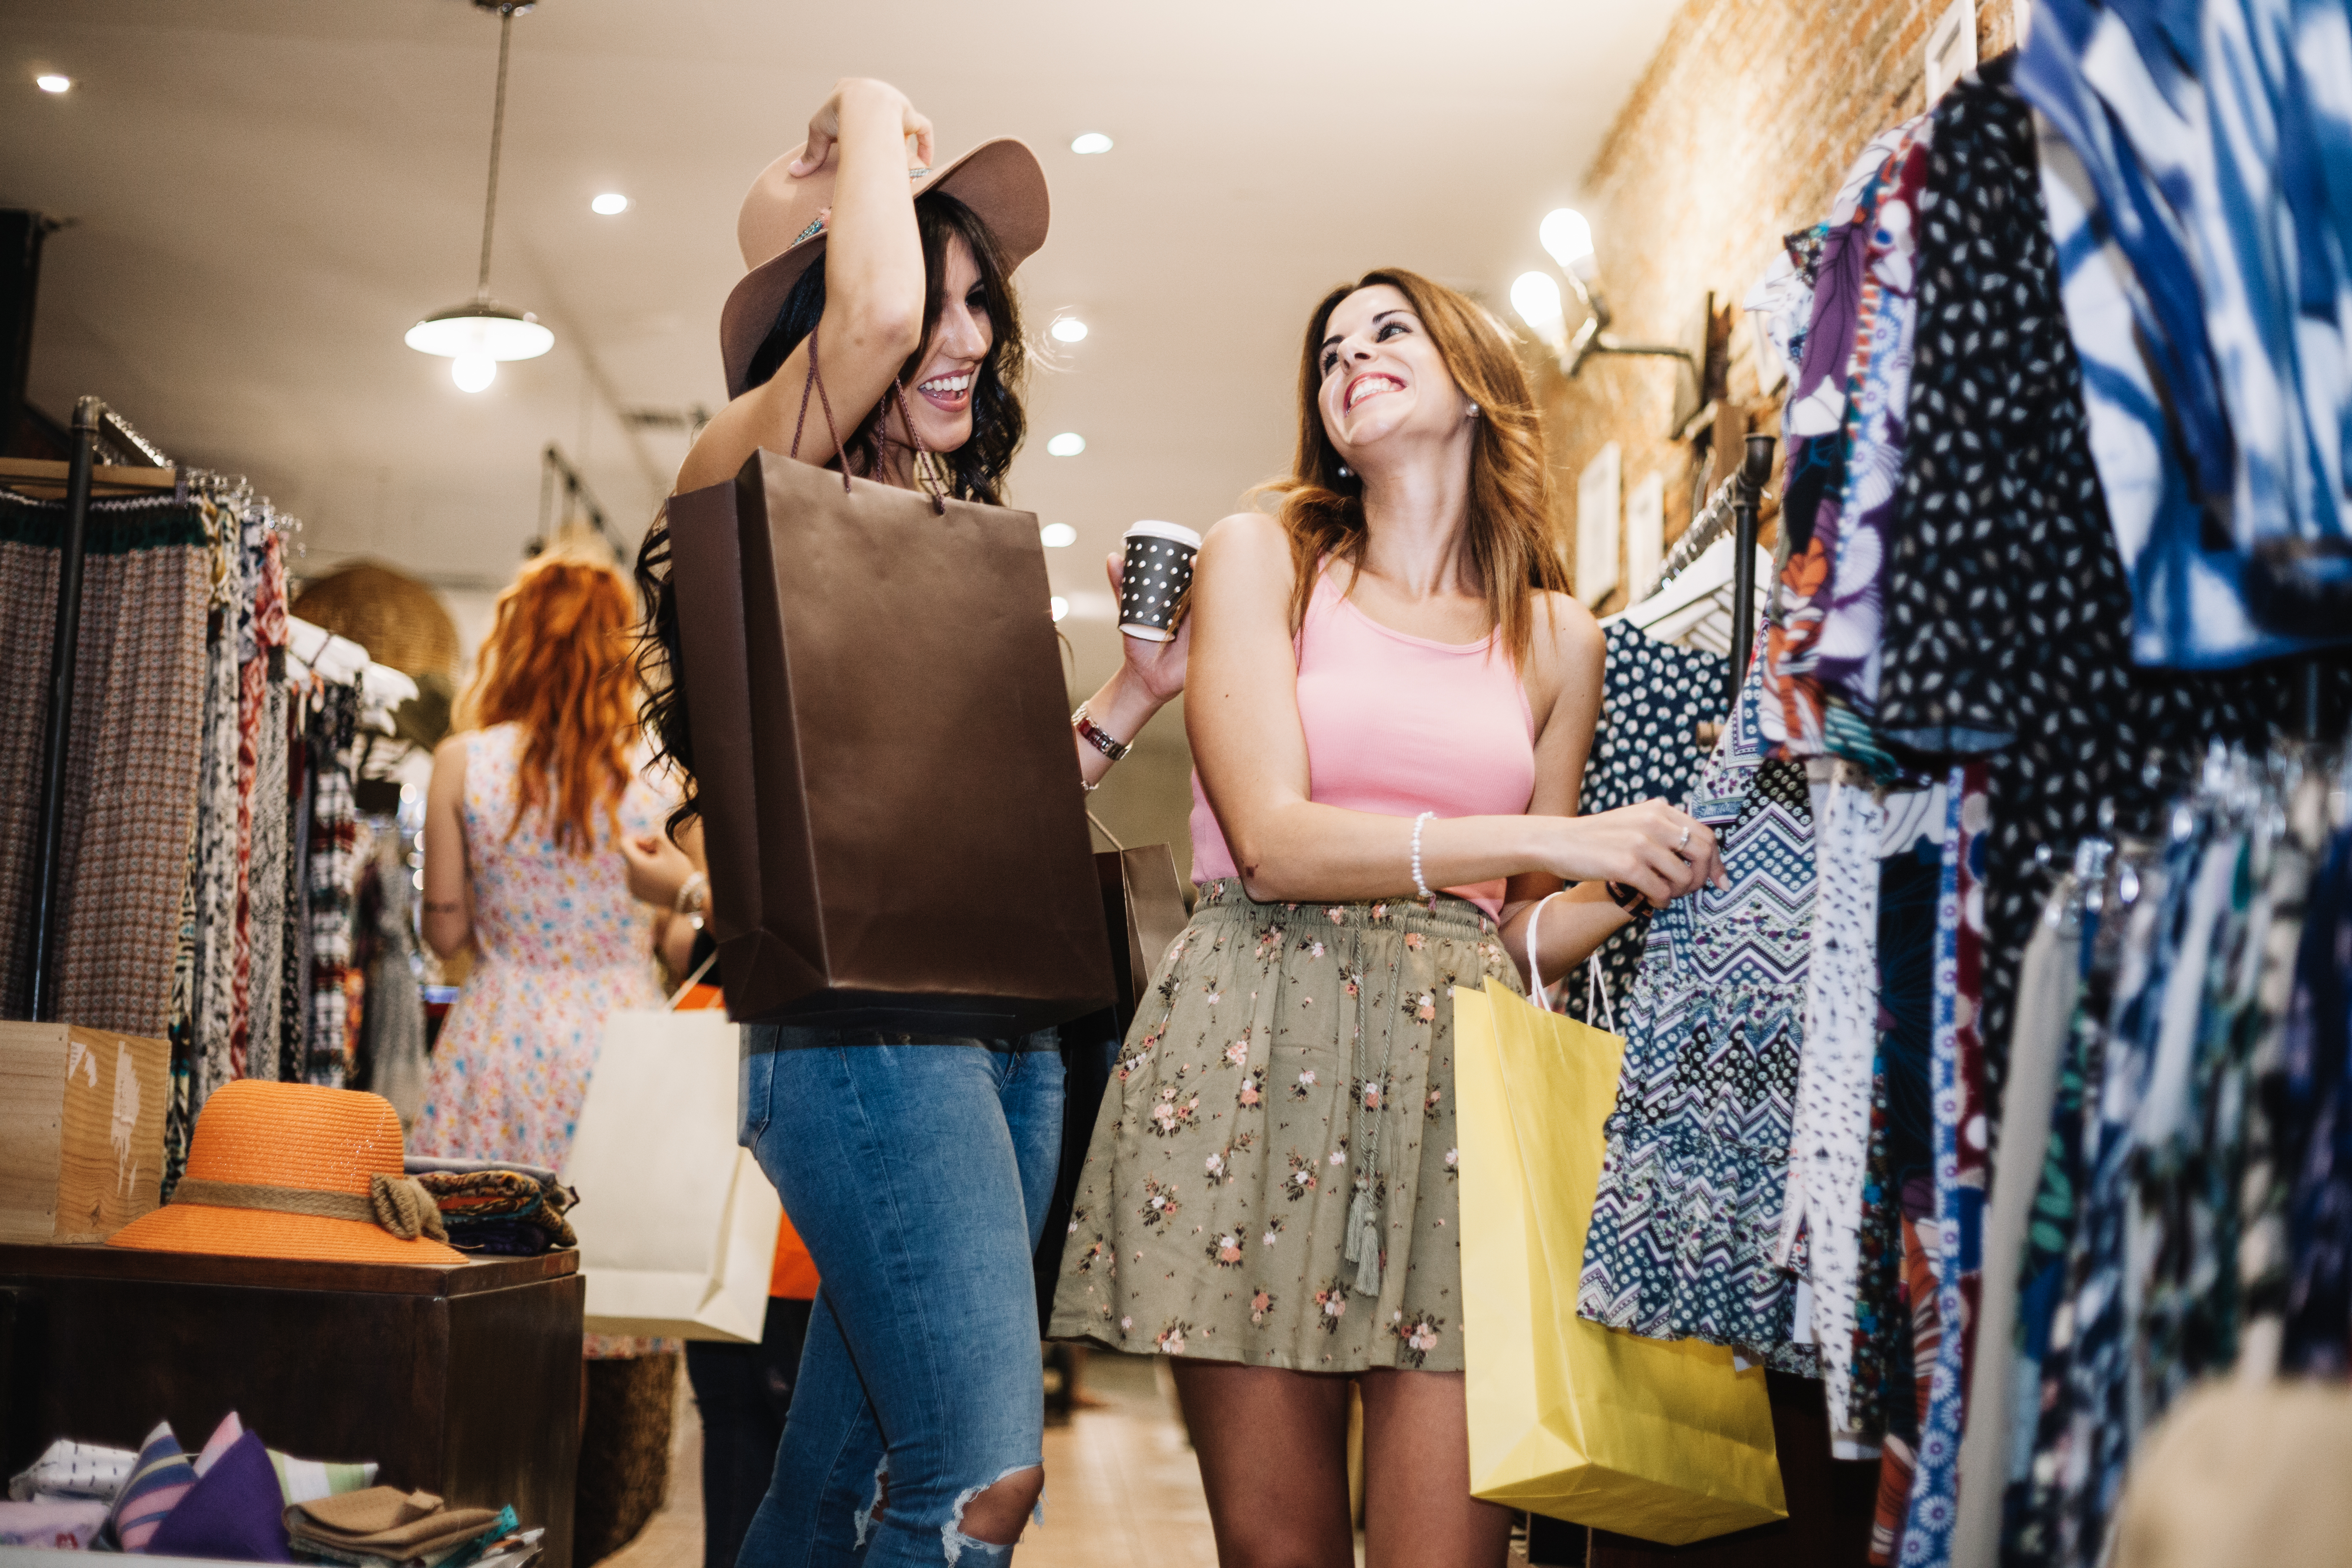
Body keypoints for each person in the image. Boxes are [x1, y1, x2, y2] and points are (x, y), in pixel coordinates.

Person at [1047, 269, 1726, 1568]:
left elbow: (1519, 936)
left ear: (1473, 380)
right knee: (1282, 1555)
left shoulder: (1560, 638)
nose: (1350, 356)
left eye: (1387, 332)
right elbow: (1276, 843)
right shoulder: (1270, 560)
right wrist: (1546, 837)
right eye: (1329, 351)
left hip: (1455, 1092)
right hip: (1252, 1051)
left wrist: (1631, 878)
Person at [633, 78, 1186, 1566]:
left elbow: (978, 828)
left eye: (979, 305)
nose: (963, 337)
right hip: (859, 1046)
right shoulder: (737, 475)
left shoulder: (940, 536)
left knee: (836, 1480)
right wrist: (867, 105)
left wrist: (1128, 704)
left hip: (1001, 1039)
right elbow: (867, 312)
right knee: (979, 1479)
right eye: (929, 301)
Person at [412, 548, 681, 1563]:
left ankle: (492, 1511)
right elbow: (675, 934)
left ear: (515, 642)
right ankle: (592, 1521)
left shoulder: (463, 762)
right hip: (622, 1047)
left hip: (499, 1038)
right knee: (614, 1287)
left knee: (491, 1278)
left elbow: (444, 929)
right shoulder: (655, 774)